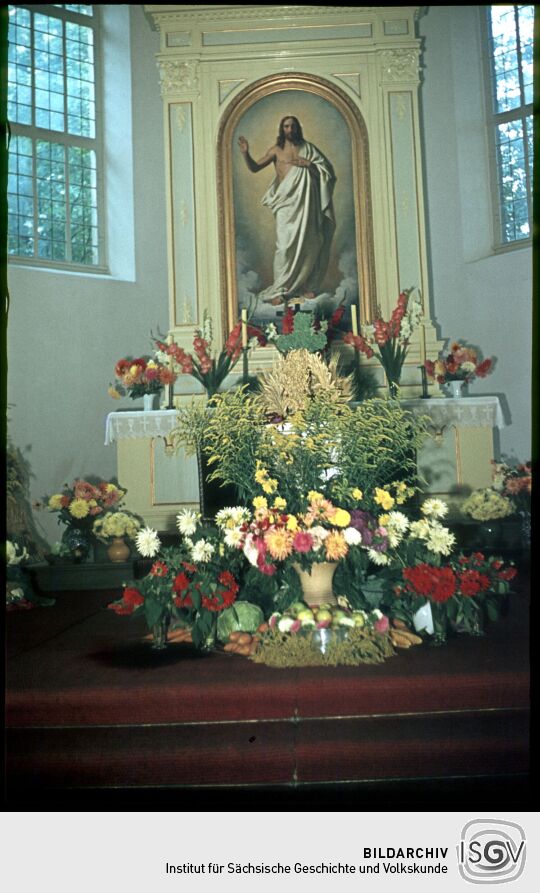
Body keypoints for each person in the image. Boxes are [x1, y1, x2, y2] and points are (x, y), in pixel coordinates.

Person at [238, 115, 336, 306]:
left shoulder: (308, 149)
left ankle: (304, 285)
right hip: (286, 203)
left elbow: (327, 173)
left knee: (309, 243)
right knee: (284, 247)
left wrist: (310, 165)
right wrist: (245, 154)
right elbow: (255, 167)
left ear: (298, 128)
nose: (289, 130)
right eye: (286, 126)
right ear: (281, 129)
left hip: (306, 204)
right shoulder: (276, 150)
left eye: (292, 126)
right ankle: (280, 289)